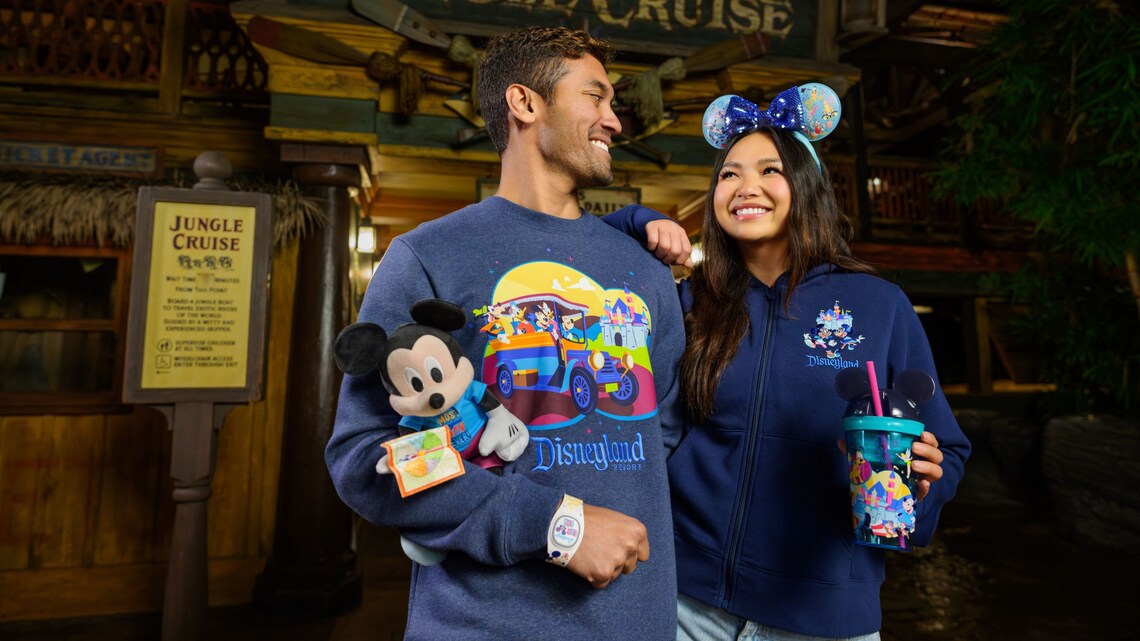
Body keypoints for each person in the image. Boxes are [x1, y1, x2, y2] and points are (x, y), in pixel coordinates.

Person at [325, 26, 686, 641]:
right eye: (595, 98)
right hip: (482, 624)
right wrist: (550, 522)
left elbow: (664, 434)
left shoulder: (645, 275)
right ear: (525, 104)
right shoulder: (424, 257)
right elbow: (367, 456)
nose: (614, 121)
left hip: (634, 619)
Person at [606, 89, 971, 640]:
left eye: (769, 170)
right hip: (683, 601)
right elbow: (573, 268)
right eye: (728, 174)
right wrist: (634, 222)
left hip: (822, 614)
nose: (745, 188)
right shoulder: (691, 301)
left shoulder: (877, 303)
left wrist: (925, 481)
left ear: (806, 185)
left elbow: (950, 446)